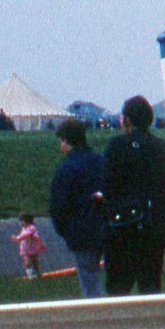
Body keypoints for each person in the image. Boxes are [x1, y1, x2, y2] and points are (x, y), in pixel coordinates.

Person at [102, 95, 165, 295]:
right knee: (150, 287)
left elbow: (107, 186)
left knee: (118, 289)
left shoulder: (116, 145)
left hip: (123, 229)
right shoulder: (162, 147)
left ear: (126, 120)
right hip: (154, 228)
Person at [50, 118, 105, 298]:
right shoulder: (101, 160)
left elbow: (58, 206)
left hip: (81, 232)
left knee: (90, 281)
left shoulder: (66, 169)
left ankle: (98, 319)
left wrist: (66, 231)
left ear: (66, 141)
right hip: (106, 226)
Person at [14, 212, 44, 278]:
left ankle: (38, 274)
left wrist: (17, 238)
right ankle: (30, 276)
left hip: (33, 247)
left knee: (35, 262)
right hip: (25, 248)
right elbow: (22, 234)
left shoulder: (31, 228)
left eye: (22, 221)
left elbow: (26, 234)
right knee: (27, 262)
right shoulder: (24, 228)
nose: (20, 223)